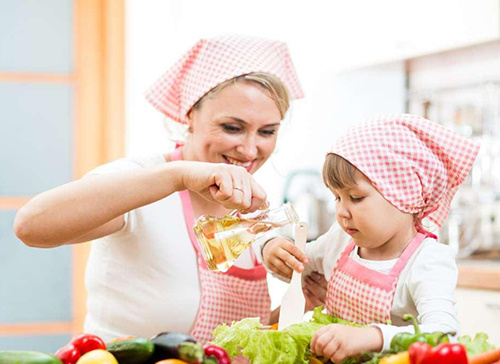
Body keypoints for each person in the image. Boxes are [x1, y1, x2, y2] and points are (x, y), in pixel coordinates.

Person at [14, 35, 306, 343]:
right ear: (190, 114)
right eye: (232, 128)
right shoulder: (141, 179)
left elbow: (226, 339)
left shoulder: (252, 204)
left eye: (267, 132)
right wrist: (178, 177)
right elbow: (30, 226)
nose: (249, 150)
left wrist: (301, 302)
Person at [262, 114, 480, 362]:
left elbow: (444, 334)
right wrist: (272, 250)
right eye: (337, 197)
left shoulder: (429, 260)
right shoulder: (339, 239)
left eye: (355, 198)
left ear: (403, 195)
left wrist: (372, 337)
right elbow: (296, 269)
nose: (342, 212)